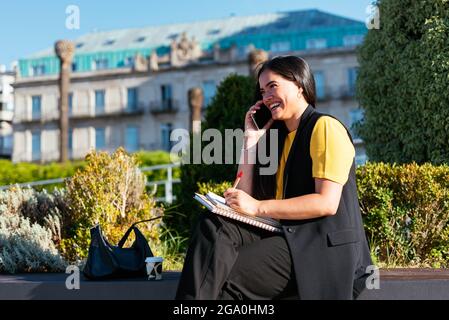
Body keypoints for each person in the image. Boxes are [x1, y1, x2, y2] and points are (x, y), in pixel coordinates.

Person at [176, 55, 372, 300]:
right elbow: (245, 198)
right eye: (262, 91)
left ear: (300, 85)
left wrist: (258, 207)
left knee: (227, 281)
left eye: (273, 86)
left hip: (321, 245)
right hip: (289, 236)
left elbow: (326, 203)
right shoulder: (278, 138)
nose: (266, 97)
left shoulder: (324, 128)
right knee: (213, 223)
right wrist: (250, 140)